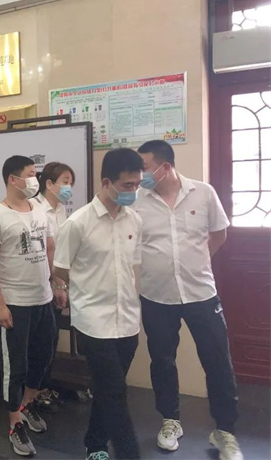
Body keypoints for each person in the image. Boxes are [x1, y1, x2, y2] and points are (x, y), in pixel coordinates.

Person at [134, 140, 242, 460]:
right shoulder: (137, 201)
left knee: (218, 361)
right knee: (162, 361)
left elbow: (219, 233)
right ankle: (170, 421)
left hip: (201, 294)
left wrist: (197, 262)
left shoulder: (203, 193)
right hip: (156, 296)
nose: (140, 174)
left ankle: (225, 432)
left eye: (144, 167)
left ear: (165, 167)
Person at [53, 148, 144, 460]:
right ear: (106, 182)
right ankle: (129, 454)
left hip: (128, 319)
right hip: (93, 320)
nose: (134, 191)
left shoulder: (134, 220)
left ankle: (94, 444)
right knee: (115, 391)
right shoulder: (78, 223)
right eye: (128, 185)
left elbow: (132, 266)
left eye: (137, 185)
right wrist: (87, 284)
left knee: (109, 390)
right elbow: (60, 268)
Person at [0, 156, 58, 457]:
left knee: (43, 355)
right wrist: (0, 305)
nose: (34, 179)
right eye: (30, 174)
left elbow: (49, 246)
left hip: (43, 298)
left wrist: (56, 283)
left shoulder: (38, 207)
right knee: (16, 365)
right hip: (15, 302)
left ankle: (26, 404)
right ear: (13, 179)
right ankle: (14, 421)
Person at [32, 162, 76, 408]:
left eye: (71, 182)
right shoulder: (36, 209)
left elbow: (62, 249)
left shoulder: (60, 210)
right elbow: (41, 252)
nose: (69, 187)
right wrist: (55, 282)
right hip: (39, 284)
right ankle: (33, 391)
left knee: (51, 339)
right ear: (49, 183)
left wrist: (62, 284)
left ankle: (44, 387)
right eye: (65, 182)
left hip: (57, 283)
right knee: (39, 341)